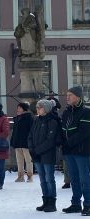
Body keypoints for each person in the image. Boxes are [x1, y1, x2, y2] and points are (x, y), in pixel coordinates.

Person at [61, 86, 90, 216]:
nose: (67, 97)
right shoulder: (66, 112)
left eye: (70, 95)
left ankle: (88, 204)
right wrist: (63, 144)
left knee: (85, 179)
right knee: (74, 179)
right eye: (67, 95)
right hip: (69, 151)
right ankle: (76, 204)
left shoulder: (86, 112)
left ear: (78, 97)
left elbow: (84, 132)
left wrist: (69, 143)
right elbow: (63, 131)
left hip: (82, 151)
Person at [28, 100, 59, 212]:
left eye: (39, 107)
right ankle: (45, 200)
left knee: (49, 178)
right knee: (42, 179)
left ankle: (52, 202)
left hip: (47, 154)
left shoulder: (52, 122)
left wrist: (37, 150)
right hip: (36, 154)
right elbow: (30, 135)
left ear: (46, 109)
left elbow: (50, 140)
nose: (37, 109)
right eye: (37, 107)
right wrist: (31, 149)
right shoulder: (36, 120)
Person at [10, 102, 34, 183]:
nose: (18, 109)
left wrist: (31, 142)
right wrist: (13, 141)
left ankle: (30, 176)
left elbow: (32, 131)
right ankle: (20, 176)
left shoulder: (29, 118)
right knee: (19, 161)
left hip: (26, 143)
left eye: (19, 108)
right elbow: (14, 132)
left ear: (24, 109)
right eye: (18, 108)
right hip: (17, 142)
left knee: (28, 160)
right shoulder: (17, 118)